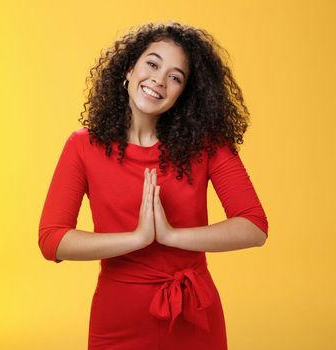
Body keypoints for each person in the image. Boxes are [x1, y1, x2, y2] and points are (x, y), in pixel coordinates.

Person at [37, 22, 268, 350]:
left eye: (175, 77)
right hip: (118, 317)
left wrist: (170, 236)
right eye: (152, 63)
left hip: (195, 314)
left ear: (183, 94)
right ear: (129, 69)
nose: (159, 80)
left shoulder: (208, 145)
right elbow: (52, 240)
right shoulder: (82, 146)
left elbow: (254, 227)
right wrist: (137, 239)